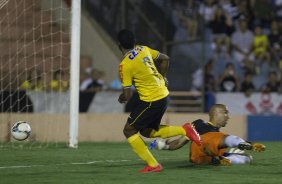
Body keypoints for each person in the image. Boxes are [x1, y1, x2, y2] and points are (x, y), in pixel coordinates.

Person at [117, 29, 201, 173]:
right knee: (147, 131)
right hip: (163, 95)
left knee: (129, 130)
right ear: (134, 41)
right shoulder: (143, 49)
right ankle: (185, 129)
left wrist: (122, 97)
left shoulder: (125, 64)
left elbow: (127, 94)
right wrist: (162, 77)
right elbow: (165, 58)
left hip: (151, 100)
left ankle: (153, 164)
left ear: (119, 45)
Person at [150, 104, 266, 166]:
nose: (228, 116)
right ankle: (242, 146)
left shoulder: (219, 134)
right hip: (200, 151)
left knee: (248, 158)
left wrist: (251, 144)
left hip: (210, 157)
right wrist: (165, 145)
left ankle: (222, 160)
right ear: (216, 113)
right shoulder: (200, 123)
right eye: (225, 113)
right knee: (227, 138)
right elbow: (181, 141)